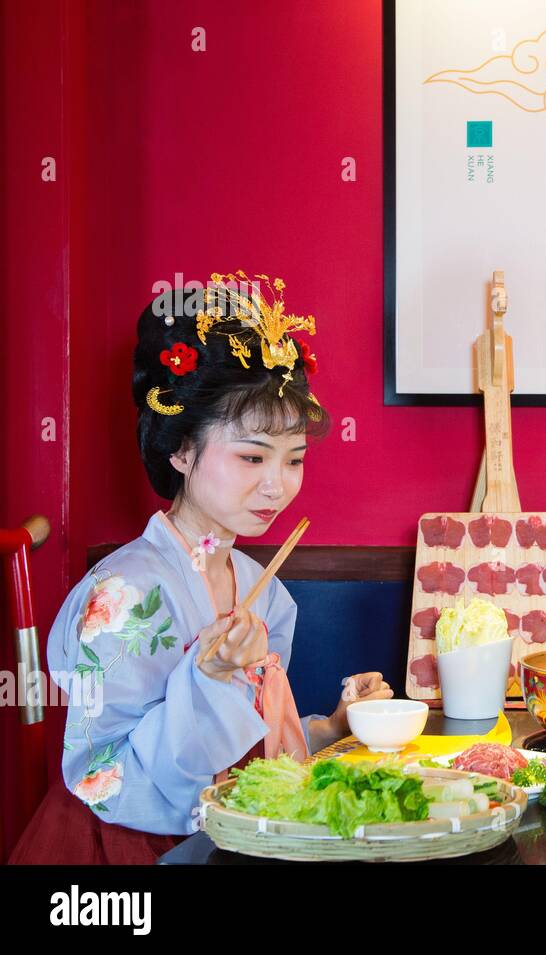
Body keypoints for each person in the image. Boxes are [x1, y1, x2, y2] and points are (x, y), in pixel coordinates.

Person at [9, 275, 392, 864]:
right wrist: (206, 677)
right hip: (122, 849)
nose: (277, 485)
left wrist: (333, 727)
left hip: (224, 842)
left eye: (294, 460)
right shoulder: (121, 597)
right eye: (251, 456)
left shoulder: (265, 593)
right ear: (182, 450)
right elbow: (103, 778)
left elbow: (251, 755)